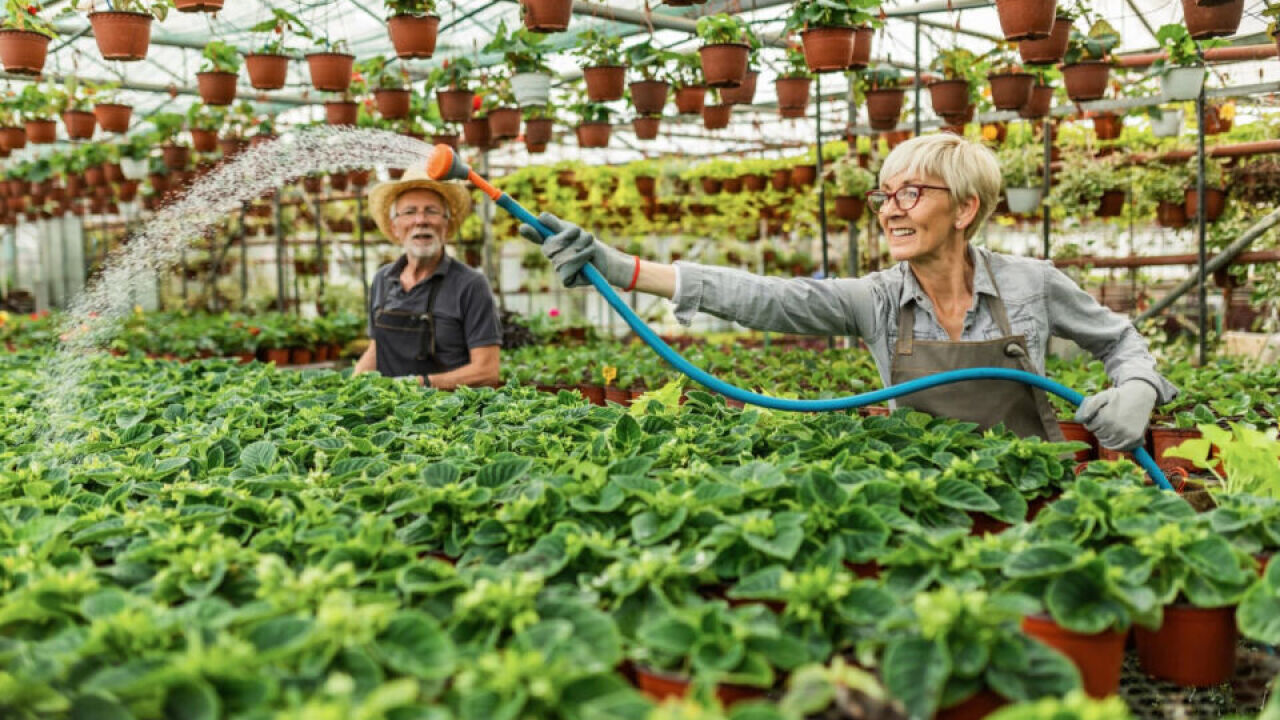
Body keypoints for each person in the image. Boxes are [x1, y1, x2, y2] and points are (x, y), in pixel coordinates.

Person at [520, 133, 1176, 449]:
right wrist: (621, 265)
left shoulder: (1033, 283)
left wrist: (1138, 392)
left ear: (967, 209)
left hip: (1033, 488)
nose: (890, 210)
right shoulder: (876, 299)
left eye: (911, 194)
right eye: (884, 195)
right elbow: (760, 297)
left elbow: (1121, 342)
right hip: (926, 494)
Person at [354, 168, 501, 388]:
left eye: (431, 211)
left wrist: (420, 384)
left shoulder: (470, 285)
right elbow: (377, 348)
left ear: (447, 224)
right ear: (395, 227)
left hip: (453, 415)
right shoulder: (382, 279)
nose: (421, 220)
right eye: (410, 212)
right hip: (390, 415)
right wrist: (352, 387)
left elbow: (487, 371)